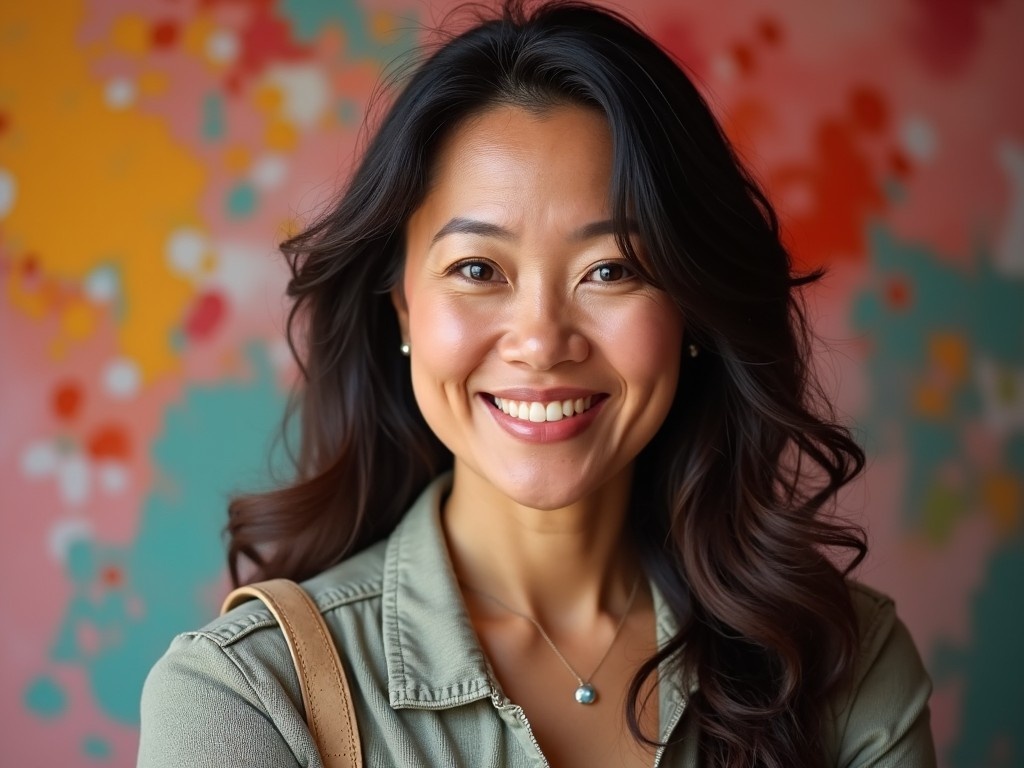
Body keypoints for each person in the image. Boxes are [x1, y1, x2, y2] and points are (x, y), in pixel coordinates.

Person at [137, 1, 936, 766]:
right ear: (404, 309)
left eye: (612, 269)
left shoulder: (842, 665)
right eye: (478, 269)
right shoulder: (247, 696)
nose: (542, 343)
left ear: (692, 309)